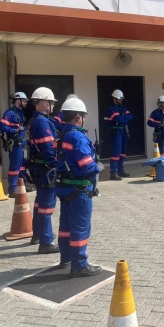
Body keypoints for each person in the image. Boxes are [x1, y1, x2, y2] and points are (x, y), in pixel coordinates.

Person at [55, 97, 102, 277]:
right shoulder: (78, 137)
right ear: (77, 117)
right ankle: (80, 265)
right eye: (83, 116)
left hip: (65, 188)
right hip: (80, 189)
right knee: (81, 227)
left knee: (65, 226)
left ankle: (65, 258)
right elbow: (86, 165)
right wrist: (98, 166)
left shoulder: (62, 136)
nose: (84, 119)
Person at [28, 87, 59, 254]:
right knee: (47, 205)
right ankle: (46, 241)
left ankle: (38, 234)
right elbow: (48, 146)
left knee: (40, 202)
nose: (53, 106)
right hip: (46, 168)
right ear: (45, 103)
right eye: (52, 103)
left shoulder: (36, 120)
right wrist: (55, 164)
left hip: (38, 167)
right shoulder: (42, 122)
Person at [0, 92, 33, 197]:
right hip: (15, 144)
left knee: (22, 167)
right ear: (19, 101)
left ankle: (22, 186)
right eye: (25, 101)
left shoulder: (20, 113)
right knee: (14, 167)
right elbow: (1, 126)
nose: (26, 103)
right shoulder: (9, 113)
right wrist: (15, 130)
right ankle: (12, 189)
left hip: (22, 144)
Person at [107, 90, 133, 180]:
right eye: (119, 99)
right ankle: (113, 173)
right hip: (116, 133)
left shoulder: (123, 108)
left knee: (123, 153)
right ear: (115, 99)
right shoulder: (111, 109)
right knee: (116, 153)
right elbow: (119, 120)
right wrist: (124, 119)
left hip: (124, 133)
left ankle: (120, 171)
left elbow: (130, 116)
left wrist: (123, 119)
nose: (121, 101)